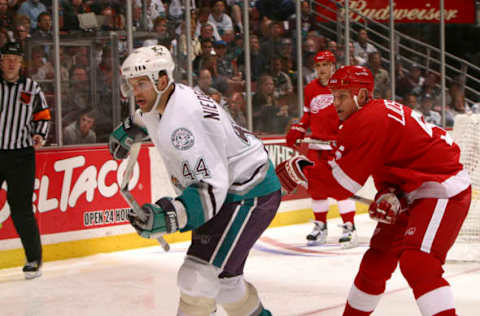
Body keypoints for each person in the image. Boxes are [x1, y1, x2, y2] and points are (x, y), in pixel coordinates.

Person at [276, 65, 471, 316]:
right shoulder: (369, 116)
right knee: (376, 262)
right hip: (410, 187)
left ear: (363, 96)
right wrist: (390, 192)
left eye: (342, 97)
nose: (335, 104)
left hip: (440, 185)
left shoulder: (367, 120)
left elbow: (341, 185)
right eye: (334, 97)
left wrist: (301, 170)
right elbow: (390, 162)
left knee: (419, 262)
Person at [108, 45, 280, 315]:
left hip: (248, 192)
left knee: (196, 278)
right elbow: (147, 114)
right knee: (226, 285)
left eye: (141, 83)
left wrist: (169, 215)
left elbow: (211, 186)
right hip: (239, 184)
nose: (135, 92)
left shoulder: (183, 123)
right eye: (132, 84)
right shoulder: (167, 97)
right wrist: (130, 128)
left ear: (162, 80)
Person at [284, 51, 357, 247]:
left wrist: (345, 136)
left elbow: (351, 115)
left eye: (325, 65)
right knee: (316, 188)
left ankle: (349, 227)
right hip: (317, 146)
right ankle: (320, 227)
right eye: (318, 66)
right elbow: (308, 115)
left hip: (337, 146)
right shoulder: (310, 89)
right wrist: (299, 128)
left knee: (341, 187)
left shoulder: (343, 87)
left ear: (333, 66)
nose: (322, 69)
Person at [0, 42, 51, 279]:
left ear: (21, 63)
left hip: (20, 155)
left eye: (15, 59)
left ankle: (33, 259)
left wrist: (40, 133)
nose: (11, 62)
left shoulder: (31, 88)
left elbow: (43, 115)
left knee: (21, 210)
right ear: (1, 61)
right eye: (7, 58)